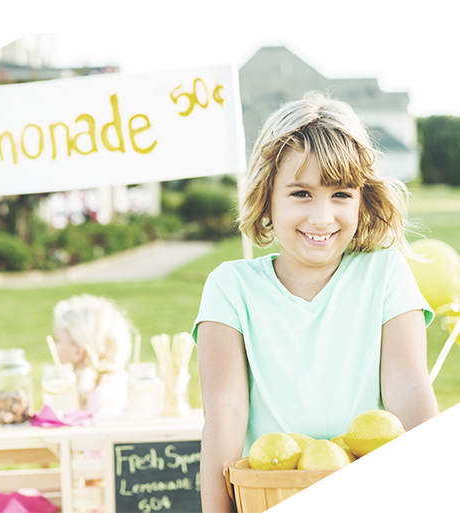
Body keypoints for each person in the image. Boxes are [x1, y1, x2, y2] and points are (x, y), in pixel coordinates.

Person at [193, 92, 456, 513]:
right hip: (275, 502)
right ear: (267, 196)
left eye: (340, 195)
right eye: (300, 193)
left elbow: (411, 393)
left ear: (362, 199)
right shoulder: (229, 288)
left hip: (375, 501)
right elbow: (223, 415)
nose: (321, 217)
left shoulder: (385, 274)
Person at [52, 294, 133, 416]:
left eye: (57, 340)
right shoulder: (109, 384)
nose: (53, 347)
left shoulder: (106, 395)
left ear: (78, 352)